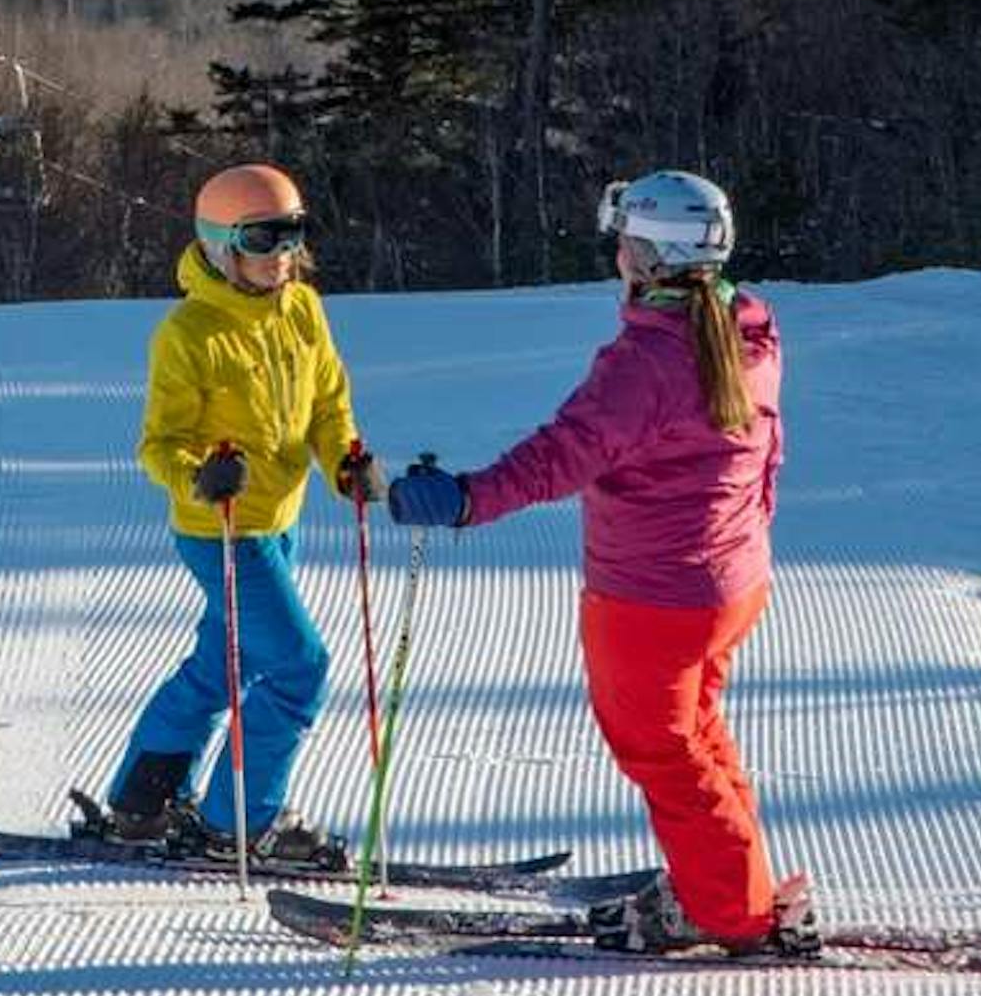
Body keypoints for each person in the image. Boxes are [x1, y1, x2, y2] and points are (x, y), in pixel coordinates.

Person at [384, 169, 816, 955]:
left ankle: (728, 910)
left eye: (624, 241)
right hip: (728, 585)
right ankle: (727, 882)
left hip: (653, 597)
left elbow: (563, 455)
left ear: (647, 257)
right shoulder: (746, 327)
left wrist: (465, 499)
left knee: (660, 746)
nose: (616, 252)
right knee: (696, 734)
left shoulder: (645, 363)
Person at [95, 160, 372, 865]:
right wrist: (201, 476)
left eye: (292, 234)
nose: (281, 254)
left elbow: (328, 404)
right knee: (299, 667)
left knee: (224, 665)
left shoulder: (303, 307)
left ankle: (141, 800)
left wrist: (345, 461)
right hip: (221, 529)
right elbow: (158, 447)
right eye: (262, 238)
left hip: (281, 521)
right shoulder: (189, 333)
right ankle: (238, 822)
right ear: (221, 244)